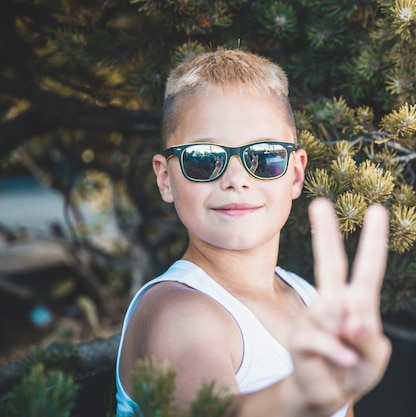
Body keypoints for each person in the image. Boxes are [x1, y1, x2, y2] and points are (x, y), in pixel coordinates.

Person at [115, 48, 391, 417]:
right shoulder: (181, 314)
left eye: (264, 156)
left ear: (295, 174)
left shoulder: (308, 298)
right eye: (203, 158)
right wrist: (300, 395)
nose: (236, 180)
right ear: (166, 179)